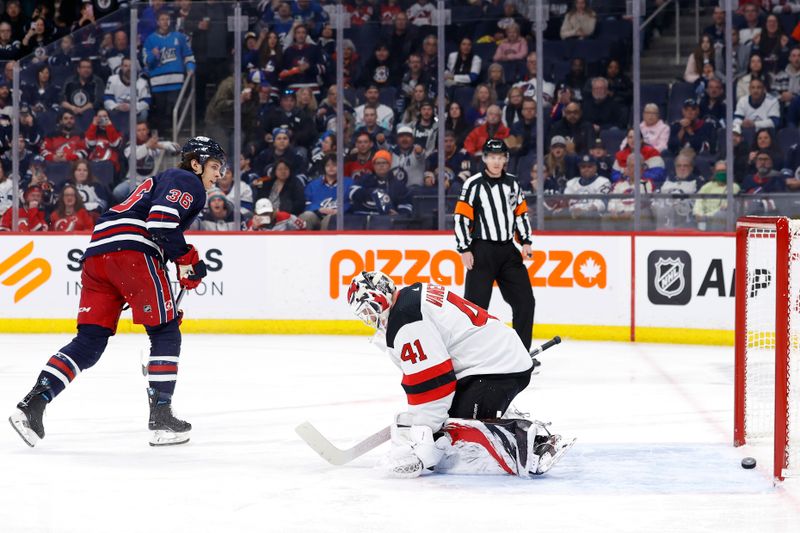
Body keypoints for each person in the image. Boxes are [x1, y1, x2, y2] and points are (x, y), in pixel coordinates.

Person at [8, 136, 226, 448]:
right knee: (165, 332)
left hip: (98, 254)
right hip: (132, 252)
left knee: (90, 342)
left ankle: (32, 405)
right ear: (196, 164)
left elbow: (159, 227)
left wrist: (180, 263)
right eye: (215, 166)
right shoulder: (185, 179)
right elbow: (162, 224)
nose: (218, 174)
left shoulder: (162, 182)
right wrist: (187, 258)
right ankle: (161, 419)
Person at [345, 271, 571, 478]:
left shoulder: (405, 318)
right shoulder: (411, 296)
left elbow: (434, 383)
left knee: (452, 434)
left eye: (366, 309)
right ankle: (496, 413)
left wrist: (426, 432)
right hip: (495, 360)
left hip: (495, 368)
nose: (368, 317)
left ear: (378, 298)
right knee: (443, 423)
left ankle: (529, 443)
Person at [454, 139, 535, 351]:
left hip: (508, 251)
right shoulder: (473, 184)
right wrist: (464, 248)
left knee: (525, 301)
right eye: (492, 157)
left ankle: (521, 353)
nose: (496, 162)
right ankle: (471, 354)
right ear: (485, 159)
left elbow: (520, 213)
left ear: (506, 159)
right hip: (482, 251)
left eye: (500, 157)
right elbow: (462, 217)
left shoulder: (513, 184)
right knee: (474, 308)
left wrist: (525, 240)